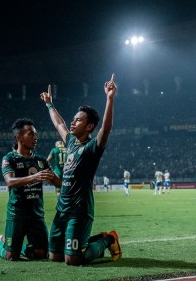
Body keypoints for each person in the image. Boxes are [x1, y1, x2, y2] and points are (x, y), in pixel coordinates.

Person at [40, 74, 122, 265]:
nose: (73, 122)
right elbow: (58, 123)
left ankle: (109, 239)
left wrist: (109, 99)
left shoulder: (93, 148)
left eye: (78, 120)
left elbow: (106, 129)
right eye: (74, 119)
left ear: (89, 126)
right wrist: (50, 104)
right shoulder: (70, 142)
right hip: (62, 209)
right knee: (54, 256)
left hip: (79, 211)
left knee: (72, 260)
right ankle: (92, 240)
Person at [0, 118, 61, 261]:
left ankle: (24, 247)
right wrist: (35, 177)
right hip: (17, 213)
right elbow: (10, 182)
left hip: (36, 214)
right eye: (31, 134)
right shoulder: (10, 158)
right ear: (19, 137)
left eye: (36, 134)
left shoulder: (41, 160)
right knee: (11, 257)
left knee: (42, 255)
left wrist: (53, 178)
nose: (36, 138)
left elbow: (59, 184)